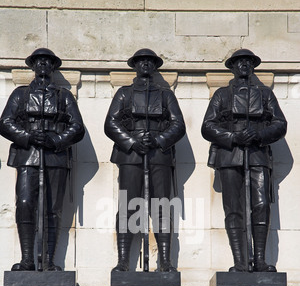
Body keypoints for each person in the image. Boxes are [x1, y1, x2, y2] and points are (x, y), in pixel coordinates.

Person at [201, 49, 287, 272]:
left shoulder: (265, 94)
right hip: (230, 155)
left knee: (261, 206)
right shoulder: (221, 94)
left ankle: (259, 260)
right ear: (232, 66)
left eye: (249, 62)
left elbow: (280, 123)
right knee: (233, 209)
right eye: (240, 62)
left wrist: (260, 135)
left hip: (257, 153)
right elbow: (207, 126)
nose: (244, 66)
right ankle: (240, 261)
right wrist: (232, 137)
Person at [0, 48, 85, 271]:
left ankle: (48, 260)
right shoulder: (21, 94)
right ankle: (28, 258)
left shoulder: (64, 96)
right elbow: (6, 122)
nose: (44, 65)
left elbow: (77, 128)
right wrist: (27, 136)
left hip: (55, 157)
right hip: (28, 156)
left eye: (48, 62)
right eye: (39, 62)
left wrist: (56, 140)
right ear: (33, 66)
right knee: (26, 204)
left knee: (52, 209)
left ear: (53, 66)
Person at [105, 48, 186, 272]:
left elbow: (178, 125)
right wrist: (132, 142)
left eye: (150, 62)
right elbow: (111, 124)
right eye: (141, 61)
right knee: (128, 207)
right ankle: (123, 261)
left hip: (159, 154)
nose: (146, 65)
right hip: (130, 155)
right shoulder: (124, 93)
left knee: (161, 207)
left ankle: (165, 261)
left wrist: (159, 140)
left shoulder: (166, 95)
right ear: (135, 65)